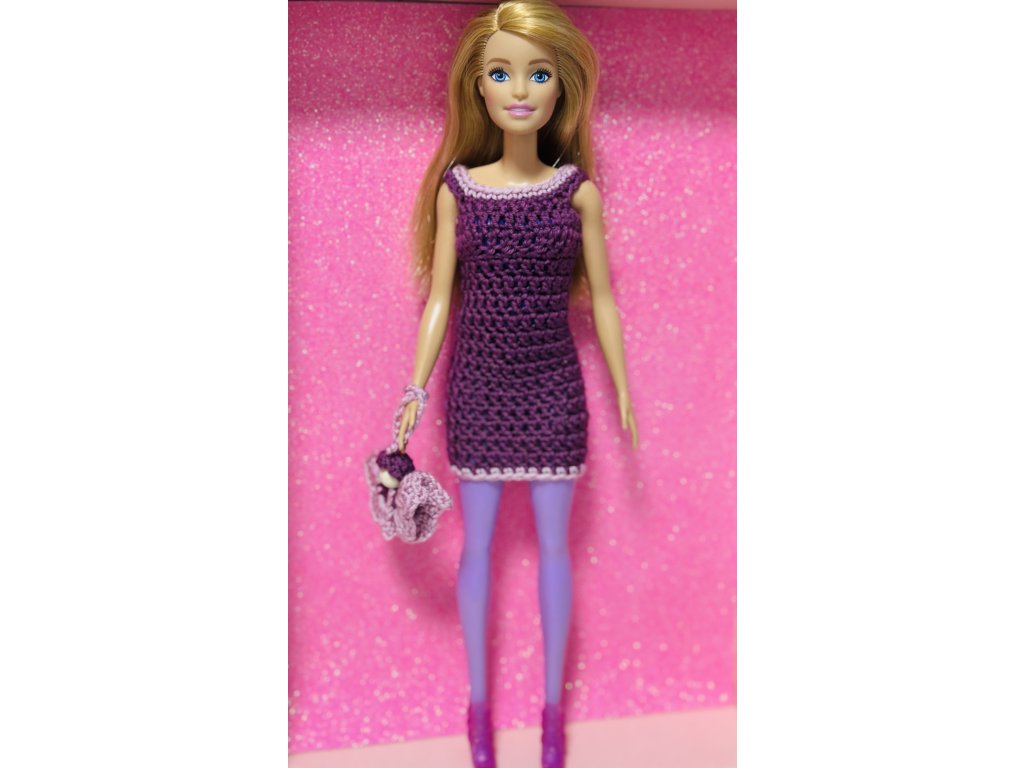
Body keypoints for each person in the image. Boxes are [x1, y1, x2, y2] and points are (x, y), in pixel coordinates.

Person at [394, 2, 637, 766]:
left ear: (562, 87)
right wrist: (414, 392)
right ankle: (477, 709)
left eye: (538, 74)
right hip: (478, 393)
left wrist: (623, 390)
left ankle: (554, 713)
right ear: (478, 85)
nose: (521, 90)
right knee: (477, 553)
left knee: (556, 554)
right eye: (501, 73)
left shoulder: (577, 192)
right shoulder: (458, 190)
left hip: (553, 391)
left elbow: (603, 300)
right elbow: (440, 300)